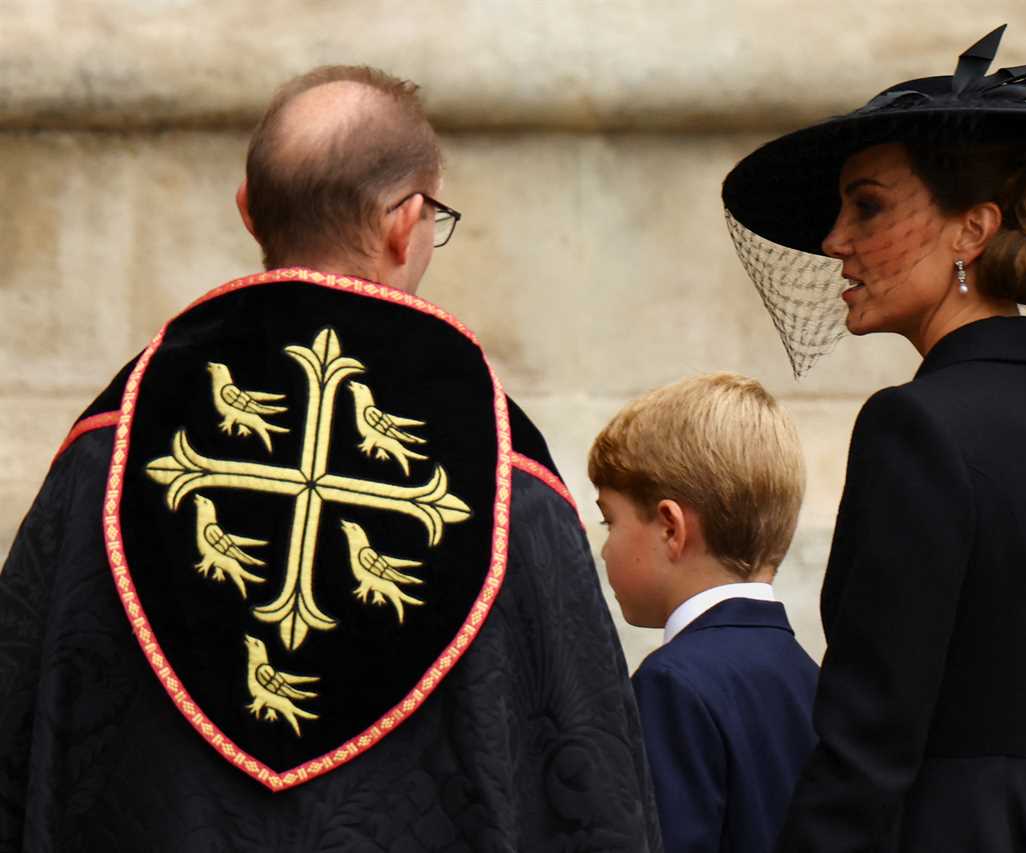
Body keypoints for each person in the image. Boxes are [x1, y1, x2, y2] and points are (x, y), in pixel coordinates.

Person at [0, 65, 660, 851]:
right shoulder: (502, 474)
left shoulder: (113, 444)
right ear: (405, 222)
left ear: (249, 212)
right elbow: (584, 780)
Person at [721, 25, 1026, 853]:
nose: (835, 240)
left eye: (866, 205)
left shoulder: (914, 426)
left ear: (971, 231)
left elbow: (868, 745)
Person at [588, 372, 819, 853]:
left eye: (609, 520)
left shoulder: (672, 683)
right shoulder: (809, 676)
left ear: (671, 527)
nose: (604, 549)